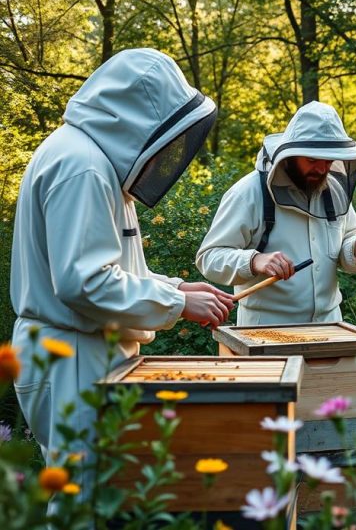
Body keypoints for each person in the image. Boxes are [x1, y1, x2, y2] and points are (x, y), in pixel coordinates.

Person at [10, 48, 235, 459]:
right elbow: (86, 283)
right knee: (87, 504)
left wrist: (177, 286)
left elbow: (108, 270)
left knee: (91, 498)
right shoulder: (83, 167)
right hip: (73, 358)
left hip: (77, 354)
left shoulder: (89, 159)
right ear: (137, 116)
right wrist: (180, 302)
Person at [196, 101, 356, 325]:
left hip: (330, 325)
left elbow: (347, 242)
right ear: (291, 156)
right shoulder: (248, 192)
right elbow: (209, 257)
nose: (322, 169)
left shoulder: (333, 190)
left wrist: (355, 251)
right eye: (312, 160)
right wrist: (255, 260)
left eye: (328, 160)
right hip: (266, 328)